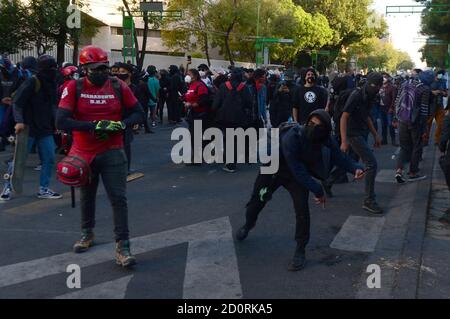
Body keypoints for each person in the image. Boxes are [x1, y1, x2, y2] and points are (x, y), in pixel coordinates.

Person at [235, 110, 364, 271]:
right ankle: (248, 224)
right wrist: (317, 190)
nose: (314, 128)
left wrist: (356, 168)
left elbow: (339, 157)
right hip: (274, 170)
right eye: (312, 123)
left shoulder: (325, 139)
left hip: (295, 177)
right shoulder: (293, 137)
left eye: (319, 126)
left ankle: (300, 249)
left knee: (302, 211)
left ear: (325, 130)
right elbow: (298, 170)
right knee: (257, 201)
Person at [56, 45, 144, 267]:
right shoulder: (73, 87)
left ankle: (123, 246)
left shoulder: (118, 85)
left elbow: (139, 113)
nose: (102, 72)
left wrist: (120, 125)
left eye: (105, 67)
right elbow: (61, 121)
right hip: (83, 153)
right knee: (87, 196)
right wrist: (92, 126)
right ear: (85, 69)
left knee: (118, 199)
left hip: (113, 151)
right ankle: (87, 233)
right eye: (96, 68)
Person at [340, 72, 384, 214]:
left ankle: (329, 180)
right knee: (371, 163)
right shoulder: (357, 95)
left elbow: (366, 116)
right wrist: (344, 140)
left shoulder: (370, 95)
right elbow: (343, 117)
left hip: (361, 131)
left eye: (378, 86)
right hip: (352, 133)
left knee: (350, 160)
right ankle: (369, 200)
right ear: (368, 83)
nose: (376, 88)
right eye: (374, 85)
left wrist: (376, 134)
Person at [394, 70, 433, 184]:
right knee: (417, 146)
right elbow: (424, 109)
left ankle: (399, 171)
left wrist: (396, 118)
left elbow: (397, 101)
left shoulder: (405, 83)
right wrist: (425, 126)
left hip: (402, 120)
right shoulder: (425, 89)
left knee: (404, 147)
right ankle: (413, 173)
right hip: (415, 122)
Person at [212, 68, 253, 173]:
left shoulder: (223, 86)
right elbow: (249, 103)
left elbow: (216, 103)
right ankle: (232, 160)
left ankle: (230, 163)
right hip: (239, 117)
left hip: (225, 117)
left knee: (227, 138)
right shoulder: (244, 87)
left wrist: (214, 112)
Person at [184, 68, 210, 164]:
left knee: (196, 136)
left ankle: (197, 158)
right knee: (194, 136)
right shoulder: (191, 85)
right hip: (193, 114)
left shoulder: (200, 85)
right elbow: (189, 96)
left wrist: (192, 104)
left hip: (200, 114)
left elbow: (204, 100)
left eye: (189, 74)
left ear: (195, 76)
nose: (187, 76)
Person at [424, 70, 448, 146]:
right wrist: (432, 92)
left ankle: (437, 140)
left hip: (440, 105)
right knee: (428, 124)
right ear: (437, 74)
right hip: (431, 105)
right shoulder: (429, 81)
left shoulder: (443, 81)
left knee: (441, 124)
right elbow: (425, 90)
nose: (442, 76)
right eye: (441, 75)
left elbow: (446, 93)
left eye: (443, 75)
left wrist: (444, 93)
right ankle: (425, 140)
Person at [379, 75, 397, 145]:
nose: (383, 78)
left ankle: (393, 140)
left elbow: (394, 99)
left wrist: (391, 108)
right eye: (382, 77)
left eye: (385, 77)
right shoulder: (380, 86)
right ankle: (384, 140)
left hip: (389, 108)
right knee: (383, 125)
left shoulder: (392, 87)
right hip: (381, 107)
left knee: (390, 125)